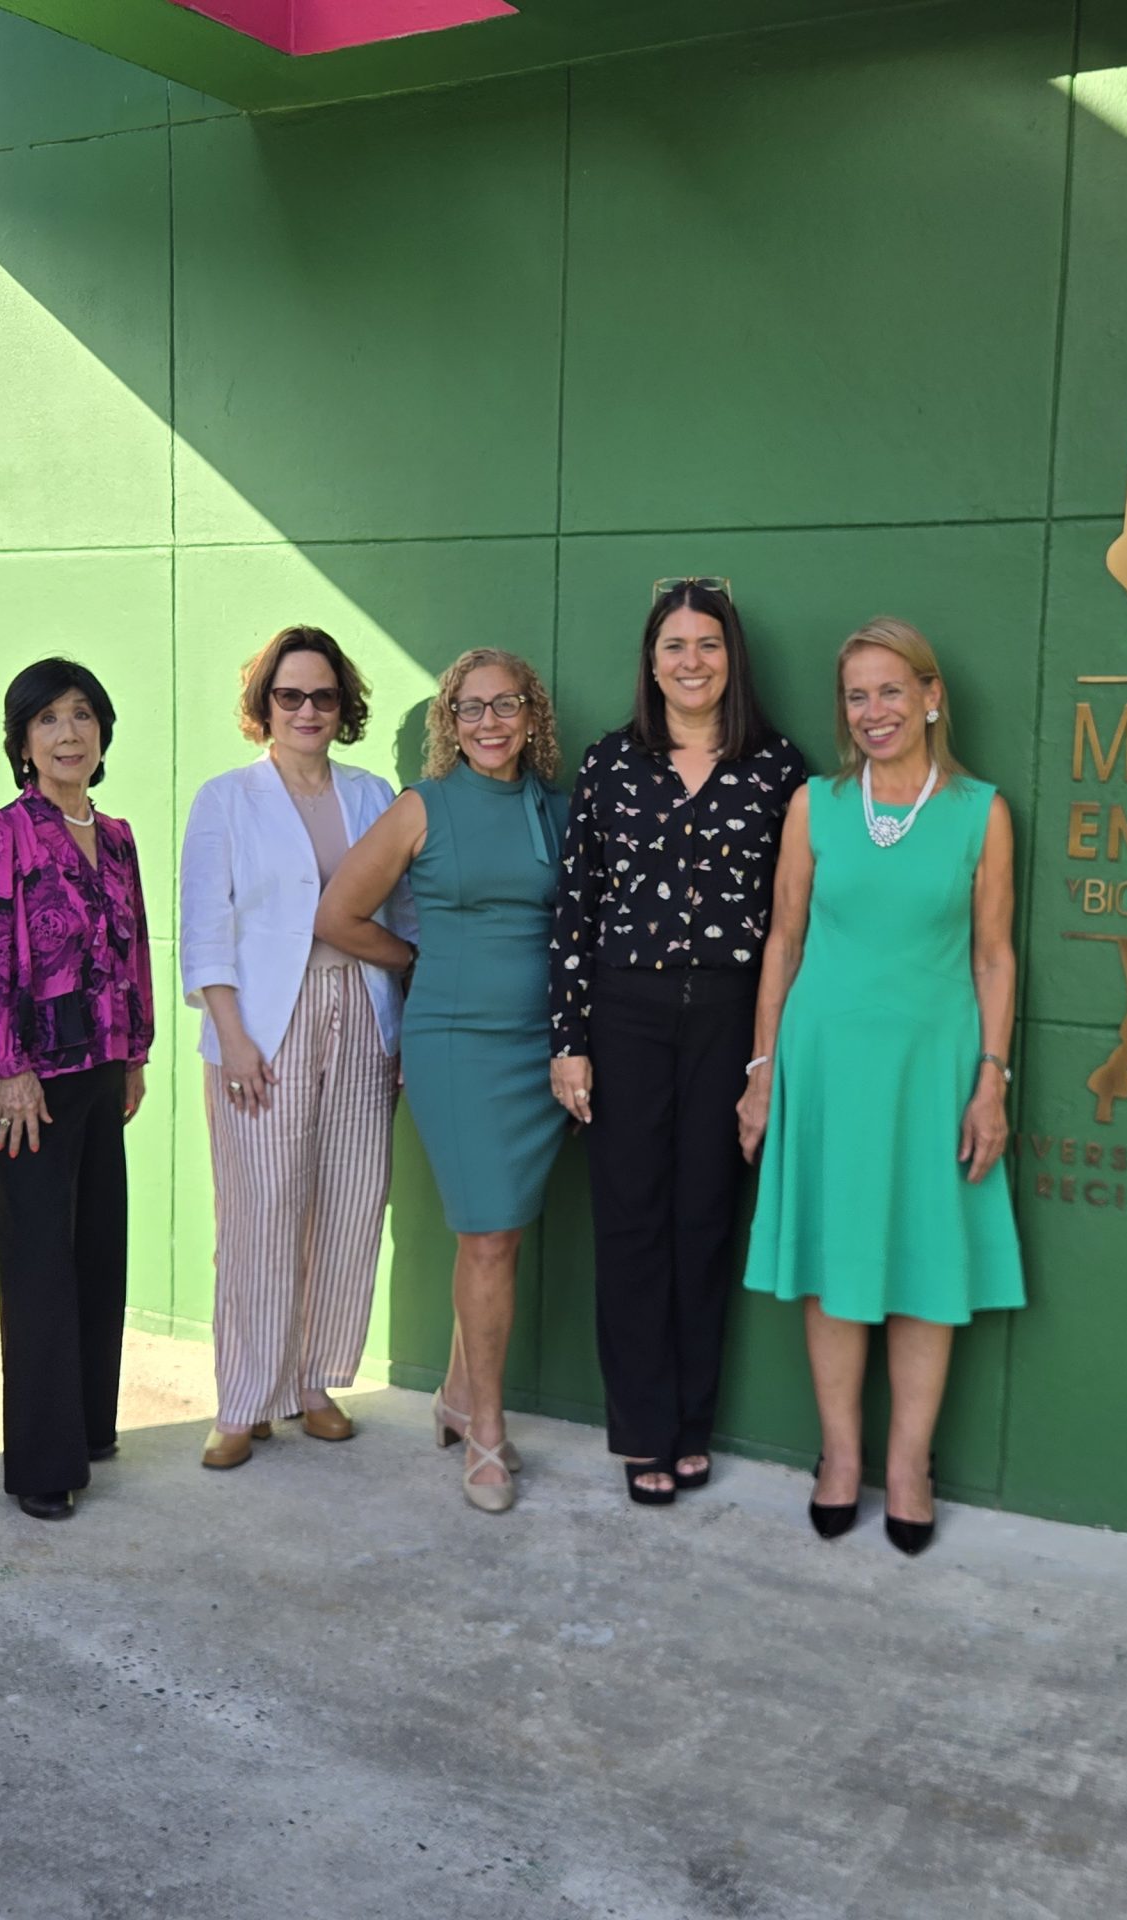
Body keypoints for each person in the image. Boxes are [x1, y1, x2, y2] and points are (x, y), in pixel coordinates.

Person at [736, 617, 1025, 1556]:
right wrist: (762, 1071)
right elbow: (783, 941)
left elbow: (994, 956)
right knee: (833, 1264)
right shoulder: (815, 805)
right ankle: (840, 1457)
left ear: (931, 697)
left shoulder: (981, 812)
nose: (873, 711)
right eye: (856, 695)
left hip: (933, 1069)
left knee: (923, 1266)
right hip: (824, 1066)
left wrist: (991, 1081)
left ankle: (908, 1467)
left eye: (891, 690)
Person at [548, 579, 804, 1504]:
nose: (691, 662)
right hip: (626, 1010)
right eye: (674, 646)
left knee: (704, 1219)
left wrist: (769, 1055)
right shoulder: (612, 762)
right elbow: (576, 907)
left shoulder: (778, 768)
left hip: (730, 1014)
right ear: (650, 663)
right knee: (629, 1222)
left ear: (732, 658)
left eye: (708, 644)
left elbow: (792, 921)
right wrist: (569, 1039)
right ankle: (643, 1429)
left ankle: (692, 1424)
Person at [316, 648, 568, 1514]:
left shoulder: (558, 809)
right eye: (470, 707)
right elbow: (339, 914)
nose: (489, 723)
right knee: (488, 1232)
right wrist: (415, 960)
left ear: (532, 715)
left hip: (542, 1048)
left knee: (502, 1232)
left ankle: (459, 1396)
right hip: (457, 1045)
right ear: (449, 722)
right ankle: (487, 1430)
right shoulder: (422, 808)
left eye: (506, 705)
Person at [180, 628, 411, 1472]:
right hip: (261, 1026)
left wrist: (405, 1023)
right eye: (289, 696)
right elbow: (205, 929)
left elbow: (403, 917)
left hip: (361, 1012)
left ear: (342, 706)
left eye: (323, 696)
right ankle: (243, 1400)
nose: (307, 710)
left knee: (348, 1202)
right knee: (259, 1212)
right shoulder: (227, 798)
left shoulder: (374, 793)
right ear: (264, 705)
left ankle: (313, 1383)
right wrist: (232, 1038)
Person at [0, 658, 154, 1522]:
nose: (68, 734)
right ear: (22, 742)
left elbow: (133, 951)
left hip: (101, 1070)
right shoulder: (0, 834)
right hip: (26, 1084)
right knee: (38, 1270)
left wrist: (135, 1054)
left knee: (99, 1254)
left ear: (102, 731)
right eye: (48, 720)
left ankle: (90, 1429)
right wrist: (7, 1069)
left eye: (82, 716)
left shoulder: (118, 838)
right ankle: (42, 1464)